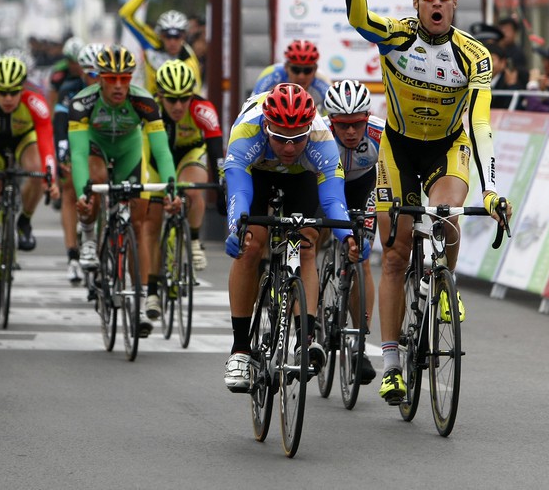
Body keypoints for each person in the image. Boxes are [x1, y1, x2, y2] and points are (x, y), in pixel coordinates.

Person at [344, 0, 510, 405]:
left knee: (447, 213)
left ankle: (442, 285)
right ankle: (392, 364)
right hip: (398, 149)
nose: (437, 2)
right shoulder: (396, 36)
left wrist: (491, 189)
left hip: (447, 147)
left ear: (454, 4)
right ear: (416, 3)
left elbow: (479, 123)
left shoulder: (474, 55)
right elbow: (359, 18)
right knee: (395, 254)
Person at [221, 84, 360, 392]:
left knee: (306, 243)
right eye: (280, 138)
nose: (288, 147)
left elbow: (333, 199)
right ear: (266, 127)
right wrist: (236, 228)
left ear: (308, 129)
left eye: (297, 138)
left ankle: (305, 339)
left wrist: (347, 235)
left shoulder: (321, 138)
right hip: (256, 174)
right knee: (250, 244)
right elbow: (240, 192)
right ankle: (240, 350)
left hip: (300, 177)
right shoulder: (247, 132)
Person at [68, 45, 177, 335]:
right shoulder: (83, 102)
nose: (118, 85)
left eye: (124, 79)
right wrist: (83, 195)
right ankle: (88, 236)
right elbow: (78, 154)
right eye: (111, 79)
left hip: (129, 150)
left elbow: (161, 151)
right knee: (96, 178)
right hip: (96, 148)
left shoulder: (144, 102)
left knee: (137, 226)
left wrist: (171, 189)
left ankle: (139, 304)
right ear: (99, 79)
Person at [0, 57, 60, 304]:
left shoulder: (35, 102)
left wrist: (50, 176)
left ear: (23, 88)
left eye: (13, 92)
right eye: (2, 92)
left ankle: (24, 221)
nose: (8, 98)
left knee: (36, 170)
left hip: (23, 141)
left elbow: (46, 140)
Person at [142, 59, 224, 320]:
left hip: (190, 154)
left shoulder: (203, 109)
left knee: (192, 188)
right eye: (171, 99)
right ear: (160, 95)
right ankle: (152, 290)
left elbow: (216, 152)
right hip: (156, 160)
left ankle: (195, 239)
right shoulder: (150, 109)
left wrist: (221, 189)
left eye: (184, 99)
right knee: (152, 224)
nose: (178, 106)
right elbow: (143, 152)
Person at [322, 79, 383, 384]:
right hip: (323, 184)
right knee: (309, 239)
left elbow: (393, 176)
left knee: (362, 258)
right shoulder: (318, 133)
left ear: (367, 119)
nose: (350, 131)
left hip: (362, 187)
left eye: (357, 124)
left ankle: (360, 344)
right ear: (330, 120)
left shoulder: (379, 134)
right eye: (342, 125)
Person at [55, 42, 105, 285]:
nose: (96, 79)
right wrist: (62, 154)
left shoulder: (111, 90)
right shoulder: (70, 89)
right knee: (69, 188)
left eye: (100, 73)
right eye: (91, 73)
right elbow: (60, 124)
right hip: (77, 141)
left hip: (104, 144)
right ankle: (73, 255)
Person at [119, 0, 203, 93]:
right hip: (150, 102)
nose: (172, 41)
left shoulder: (189, 59)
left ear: (184, 36)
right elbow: (124, 15)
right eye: (167, 36)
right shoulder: (150, 42)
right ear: (160, 35)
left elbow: (196, 92)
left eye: (177, 36)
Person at [252, 39, 332, 108]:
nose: (301, 76)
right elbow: (252, 108)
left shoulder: (323, 82)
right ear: (286, 67)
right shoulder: (271, 76)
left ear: (315, 70)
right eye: (295, 70)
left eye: (307, 70)